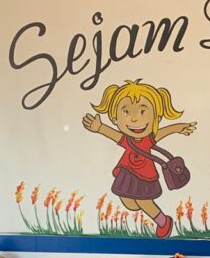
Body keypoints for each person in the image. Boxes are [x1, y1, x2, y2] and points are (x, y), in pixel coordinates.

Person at [82, 79, 196, 238]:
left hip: (145, 175)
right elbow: (113, 134)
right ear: (115, 119)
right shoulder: (126, 139)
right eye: (126, 112)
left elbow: (163, 132)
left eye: (143, 112)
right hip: (128, 173)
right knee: (128, 201)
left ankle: (163, 221)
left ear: (157, 117)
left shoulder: (148, 139)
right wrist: (99, 127)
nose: (134, 119)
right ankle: (151, 212)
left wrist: (178, 128)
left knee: (144, 201)